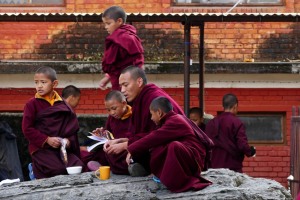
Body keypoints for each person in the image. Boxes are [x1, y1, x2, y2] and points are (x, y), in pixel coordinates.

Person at [103, 66, 185, 176]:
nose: (122, 90)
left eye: (126, 85)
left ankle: (143, 167)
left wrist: (127, 145)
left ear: (139, 81)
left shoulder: (154, 98)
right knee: (111, 151)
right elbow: (144, 133)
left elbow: (160, 134)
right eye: (121, 86)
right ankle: (138, 165)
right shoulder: (141, 99)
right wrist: (121, 141)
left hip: (176, 145)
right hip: (155, 140)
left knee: (142, 152)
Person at [126, 97, 213, 192]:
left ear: (159, 112)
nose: (151, 118)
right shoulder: (172, 119)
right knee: (159, 146)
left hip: (195, 160)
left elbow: (154, 137)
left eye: (152, 114)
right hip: (190, 157)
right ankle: (161, 173)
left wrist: (131, 149)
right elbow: (154, 136)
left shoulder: (175, 121)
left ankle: (179, 181)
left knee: (174, 146)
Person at [22, 66, 85, 179]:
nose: (39, 86)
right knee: (58, 170)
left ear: (54, 84)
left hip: (61, 149)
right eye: (36, 82)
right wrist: (47, 140)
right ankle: (33, 169)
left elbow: (71, 129)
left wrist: (67, 141)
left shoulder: (63, 104)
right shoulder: (32, 104)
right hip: (41, 148)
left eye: (43, 82)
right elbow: (27, 128)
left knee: (78, 166)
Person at [205, 93, 256, 173]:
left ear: (223, 106)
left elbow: (206, 144)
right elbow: (242, 144)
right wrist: (250, 151)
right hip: (232, 167)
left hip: (214, 167)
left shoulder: (211, 123)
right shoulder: (236, 122)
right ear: (235, 106)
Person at [100, 5, 144, 90]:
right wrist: (107, 77)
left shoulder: (124, 38)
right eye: (105, 24)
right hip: (126, 82)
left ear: (119, 21)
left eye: (108, 23)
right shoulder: (126, 36)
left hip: (127, 85)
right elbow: (116, 65)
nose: (106, 27)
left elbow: (136, 61)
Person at [91, 90, 132, 174]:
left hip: (127, 146)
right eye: (108, 110)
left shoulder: (134, 115)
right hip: (114, 147)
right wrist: (102, 133)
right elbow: (109, 133)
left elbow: (138, 135)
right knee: (100, 152)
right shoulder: (111, 118)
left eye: (114, 108)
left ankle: (131, 167)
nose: (112, 113)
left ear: (124, 103)